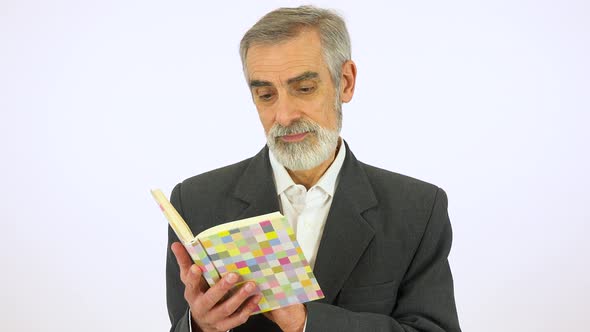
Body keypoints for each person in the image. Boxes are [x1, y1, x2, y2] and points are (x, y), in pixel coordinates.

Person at [166, 5, 461, 332]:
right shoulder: (194, 203)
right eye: (265, 95)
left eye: (304, 89)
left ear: (345, 83)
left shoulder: (418, 210)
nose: (284, 115)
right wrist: (198, 326)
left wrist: (308, 323)